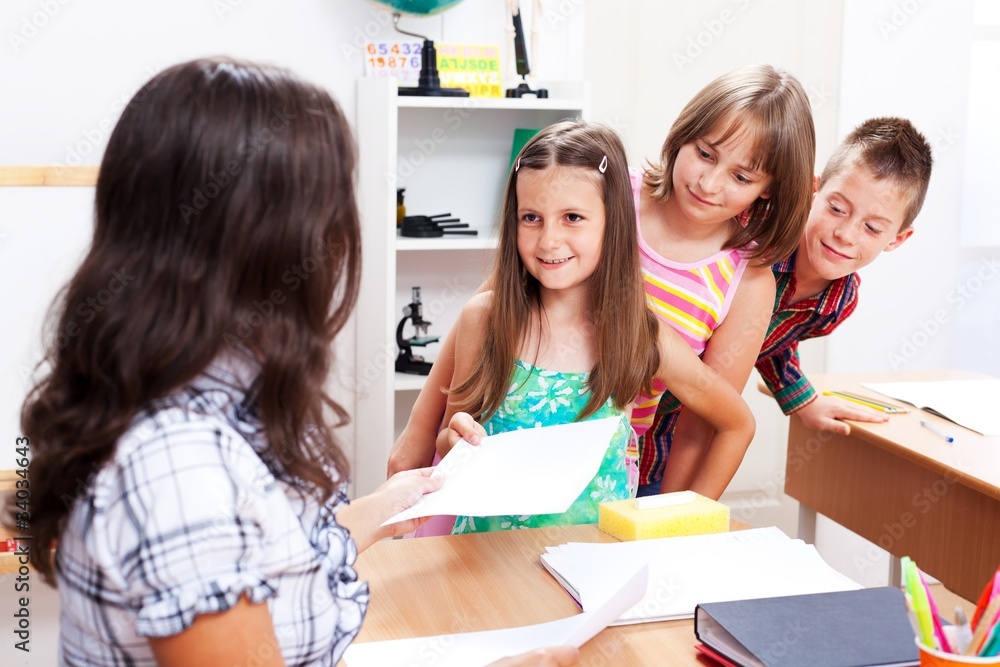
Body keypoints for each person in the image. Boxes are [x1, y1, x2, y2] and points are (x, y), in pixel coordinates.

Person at [12, 58, 578, 667]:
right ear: (269, 241)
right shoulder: (180, 469)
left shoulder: (213, 384)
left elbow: (278, 551)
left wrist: (394, 503)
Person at [392, 65, 815, 503]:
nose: (709, 183)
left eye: (742, 177)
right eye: (705, 154)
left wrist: (671, 523)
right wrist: (420, 432)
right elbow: (490, 308)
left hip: (618, 462)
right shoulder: (606, 193)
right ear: (682, 135)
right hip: (507, 450)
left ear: (769, 189)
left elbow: (704, 422)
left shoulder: (745, 281)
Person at [436, 120, 754, 534]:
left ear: (613, 222)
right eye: (531, 217)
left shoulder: (639, 334)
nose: (549, 240)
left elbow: (737, 424)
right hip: (486, 563)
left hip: (591, 568)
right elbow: (449, 439)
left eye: (572, 217)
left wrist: (681, 531)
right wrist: (454, 441)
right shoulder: (483, 319)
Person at [647, 117, 934, 494]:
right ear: (815, 189)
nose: (845, 235)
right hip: (632, 399)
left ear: (897, 239)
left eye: (872, 228)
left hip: (676, 442)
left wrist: (802, 400)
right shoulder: (749, 239)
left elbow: (768, 342)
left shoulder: (835, 304)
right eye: (837, 208)